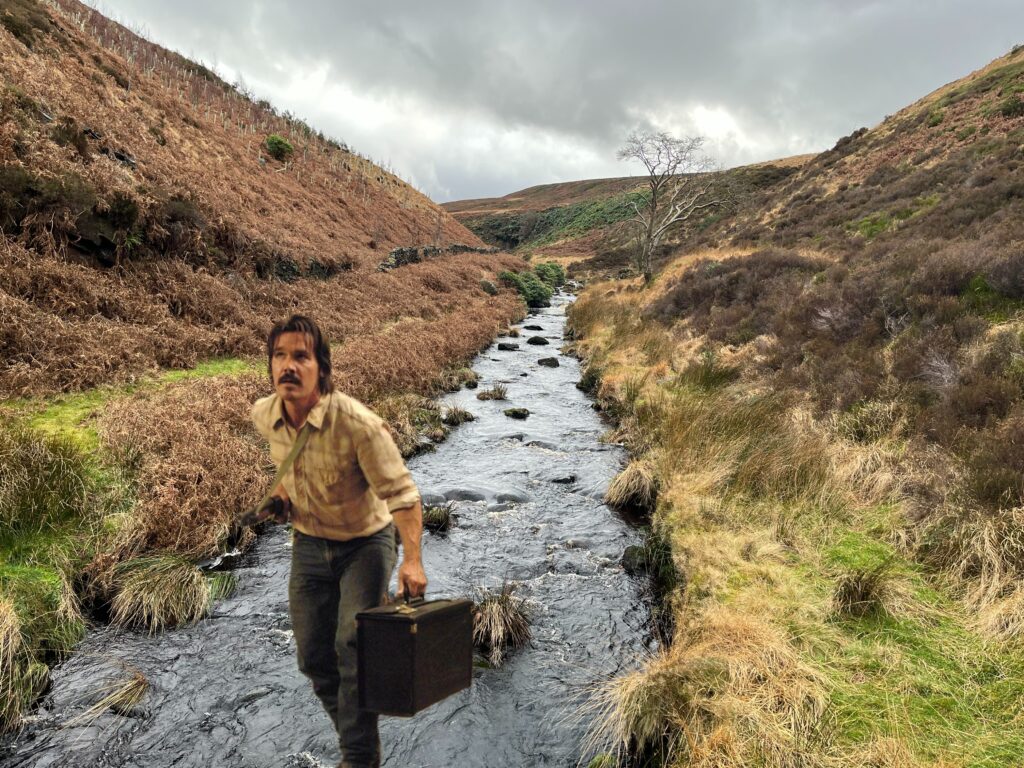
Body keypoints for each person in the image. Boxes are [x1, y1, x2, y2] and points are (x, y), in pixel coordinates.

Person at [251, 314, 427, 768]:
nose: (288, 366)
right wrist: (281, 498)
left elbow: (403, 496)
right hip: (309, 545)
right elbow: (292, 467)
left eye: (301, 357)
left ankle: (359, 757)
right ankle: (357, 734)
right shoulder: (264, 415)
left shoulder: (357, 424)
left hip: (366, 544)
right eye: (280, 356)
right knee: (313, 658)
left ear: (322, 370)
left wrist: (412, 562)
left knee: (351, 645)